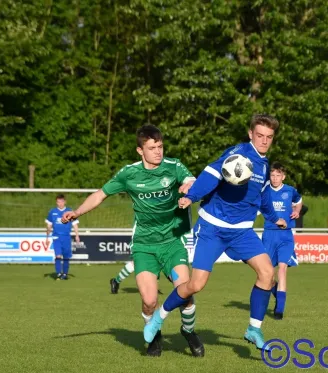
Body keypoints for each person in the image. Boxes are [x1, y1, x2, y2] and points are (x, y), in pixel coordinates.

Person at [143, 114, 285, 351]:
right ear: (250, 134)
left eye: (269, 137)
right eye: (259, 135)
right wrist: (191, 196)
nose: (264, 141)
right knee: (196, 285)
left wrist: (274, 217)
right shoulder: (237, 154)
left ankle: (253, 329)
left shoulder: (264, 164)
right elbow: (211, 174)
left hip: (241, 231)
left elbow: (264, 196)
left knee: (268, 273)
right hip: (213, 228)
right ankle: (159, 317)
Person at [61, 124, 204, 358]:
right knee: (149, 301)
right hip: (144, 247)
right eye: (152, 148)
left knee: (185, 294)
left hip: (171, 242)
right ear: (140, 151)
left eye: (160, 146)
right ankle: (154, 336)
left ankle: (188, 331)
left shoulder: (173, 166)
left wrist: (190, 186)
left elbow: (192, 179)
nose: (158, 151)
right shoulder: (129, 174)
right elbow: (100, 194)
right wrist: (77, 212)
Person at [261, 163, 302, 320]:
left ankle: (279, 310)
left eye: (278, 175)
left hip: (285, 236)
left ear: (283, 177)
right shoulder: (264, 191)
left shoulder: (290, 191)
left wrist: (297, 211)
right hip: (269, 235)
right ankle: (278, 293)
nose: (275, 178)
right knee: (267, 275)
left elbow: (298, 201)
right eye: (272, 175)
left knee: (282, 269)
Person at [45, 194, 80, 280]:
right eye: (58, 202)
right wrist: (47, 237)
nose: (60, 203)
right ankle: (58, 274)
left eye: (61, 201)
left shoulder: (69, 211)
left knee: (66, 257)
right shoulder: (52, 212)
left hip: (66, 237)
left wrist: (77, 235)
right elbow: (49, 225)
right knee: (58, 256)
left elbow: (75, 224)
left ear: (65, 202)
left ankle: (65, 274)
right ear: (56, 202)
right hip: (56, 237)